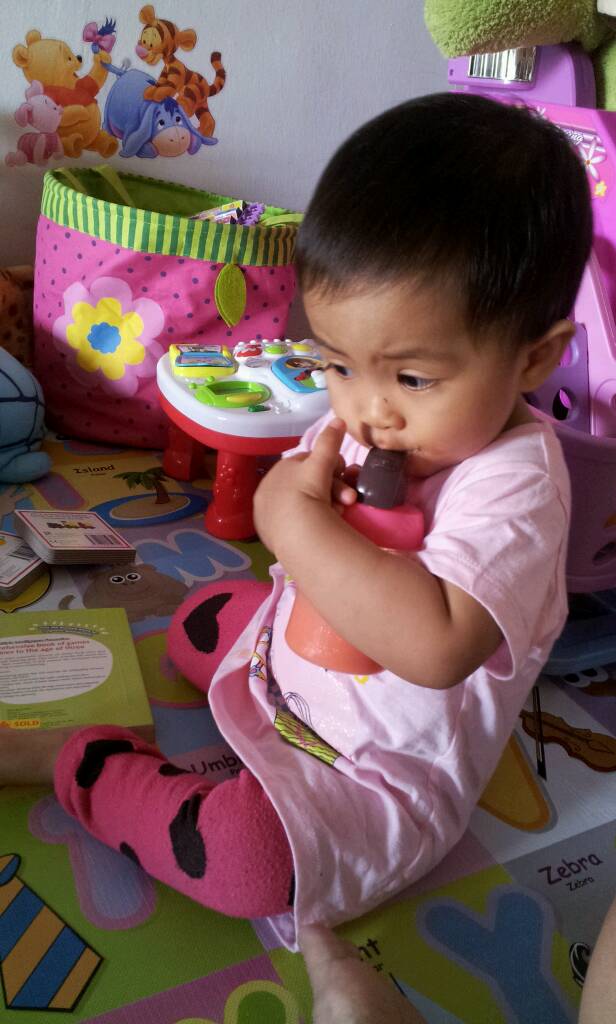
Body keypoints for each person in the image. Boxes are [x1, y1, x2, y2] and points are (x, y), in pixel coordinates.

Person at [1, 94, 592, 955]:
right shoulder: (377, 419)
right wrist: (300, 497)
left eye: (413, 379)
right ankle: (239, 662)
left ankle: (80, 764)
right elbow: (305, 483)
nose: (367, 410)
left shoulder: (517, 488)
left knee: (247, 861)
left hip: (373, 765)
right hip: (289, 656)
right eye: (339, 363)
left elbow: (435, 646)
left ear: (534, 357)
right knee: (199, 624)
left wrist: (292, 521)